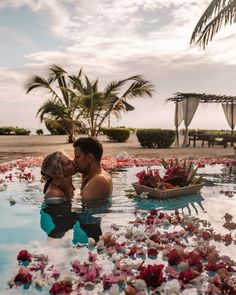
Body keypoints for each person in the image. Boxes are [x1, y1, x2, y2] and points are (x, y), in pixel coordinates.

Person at [73, 137, 113, 206]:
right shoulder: (103, 175)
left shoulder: (99, 180)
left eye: (77, 157)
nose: (74, 161)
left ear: (89, 157)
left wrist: (67, 186)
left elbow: (84, 209)